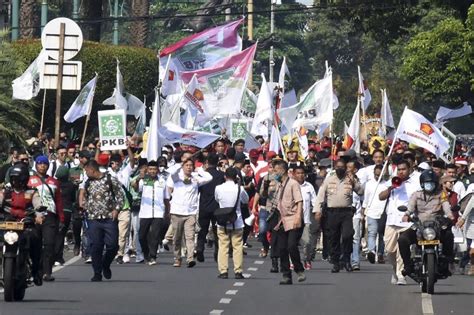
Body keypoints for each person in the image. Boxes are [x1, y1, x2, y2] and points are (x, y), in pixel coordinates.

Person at [398, 170, 455, 278]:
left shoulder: (441, 194)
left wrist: (450, 216)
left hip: (436, 226)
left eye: (432, 183)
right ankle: (408, 265)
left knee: (448, 235)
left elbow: (446, 206)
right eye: (428, 183)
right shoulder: (416, 195)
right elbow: (410, 207)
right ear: (422, 184)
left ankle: (446, 263)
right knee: (402, 239)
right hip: (420, 225)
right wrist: (406, 215)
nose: (430, 185)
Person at [315, 159, 363, 273]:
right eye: (338, 167)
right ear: (335, 167)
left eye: (342, 167)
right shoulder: (329, 180)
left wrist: (354, 183)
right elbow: (321, 195)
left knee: (348, 235)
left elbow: (361, 192)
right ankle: (336, 262)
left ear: (346, 168)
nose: (340, 169)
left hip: (346, 212)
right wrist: (317, 210)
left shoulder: (350, 179)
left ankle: (346, 259)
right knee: (334, 238)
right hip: (332, 212)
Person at [0, 162, 44, 286]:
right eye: (13, 178)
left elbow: (38, 204)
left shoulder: (32, 192)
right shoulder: (6, 191)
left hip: (26, 224)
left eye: (18, 178)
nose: (15, 181)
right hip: (8, 223)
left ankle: (36, 271)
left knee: (35, 240)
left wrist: (39, 215)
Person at [379, 160, 421, 285]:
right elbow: (380, 196)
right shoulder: (392, 182)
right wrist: (391, 187)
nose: (401, 172)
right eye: (399, 170)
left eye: (403, 169)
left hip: (406, 221)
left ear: (409, 170)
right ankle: (394, 270)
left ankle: (401, 274)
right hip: (391, 220)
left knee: (402, 248)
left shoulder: (415, 184)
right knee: (390, 250)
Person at [82, 160, 125, 282]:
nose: (86, 173)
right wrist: (84, 205)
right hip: (93, 219)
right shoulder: (88, 182)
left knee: (112, 246)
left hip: (108, 218)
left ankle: (105, 264)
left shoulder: (110, 180)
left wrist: (116, 209)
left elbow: (121, 196)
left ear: (92, 170)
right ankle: (97, 272)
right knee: (96, 246)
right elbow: (85, 196)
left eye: (86, 171)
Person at [167, 158, 212, 268]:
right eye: (186, 165)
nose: (189, 167)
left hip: (190, 213)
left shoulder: (196, 179)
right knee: (177, 238)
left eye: (190, 165)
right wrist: (179, 165)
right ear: (183, 167)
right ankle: (177, 258)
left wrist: (199, 170)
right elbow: (172, 172)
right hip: (177, 212)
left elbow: (209, 178)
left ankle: (190, 258)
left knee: (190, 237)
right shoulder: (177, 178)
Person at [28, 155, 65, 282]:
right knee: (35, 244)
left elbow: (59, 201)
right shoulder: (29, 180)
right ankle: (36, 270)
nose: (42, 166)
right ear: (36, 165)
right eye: (39, 163)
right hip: (34, 215)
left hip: (50, 215)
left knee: (49, 244)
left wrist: (61, 218)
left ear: (48, 166)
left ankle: (47, 272)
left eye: (44, 164)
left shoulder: (54, 182)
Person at [272, 159, 305, 285]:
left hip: (293, 218)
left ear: (282, 170)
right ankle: (286, 275)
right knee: (282, 248)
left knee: (291, 245)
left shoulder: (293, 184)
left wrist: (298, 216)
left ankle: (299, 269)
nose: (274, 173)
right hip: (282, 220)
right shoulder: (279, 184)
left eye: (275, 170)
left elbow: (299, 201)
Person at [132, 160, 170, 266]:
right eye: (150, 169)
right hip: (145, 212)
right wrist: (139, 177)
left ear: (157, 170)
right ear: (147, 170)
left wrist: (167, 212)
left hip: (158, 212)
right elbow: (135, 188)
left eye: (154, 169)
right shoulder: (143, 181)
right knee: (141, 236)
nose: (152, 171)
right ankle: (146, 254)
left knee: (155, 235)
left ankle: (153, 256)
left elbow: (166, 198)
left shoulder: (162, 181)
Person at [214, 167, 249, 279]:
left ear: (225, 176)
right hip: (237, 220)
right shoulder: (240, 189)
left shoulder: (218, 188)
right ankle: (238, 271)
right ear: (236, 177)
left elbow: (217, 199)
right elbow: (246, 200)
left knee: (223, 246)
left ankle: (223, 271)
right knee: (237, 246)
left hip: (222, 220)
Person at [196, 153, 225, 263]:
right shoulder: (222, 175)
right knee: (217, 230)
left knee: (202, 230)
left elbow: (197, 190)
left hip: (204, 205)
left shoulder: (203, 175)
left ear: (207, 163)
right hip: (217, 206)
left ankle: (199, 248)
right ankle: (217, 252)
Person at [293, 165, 318, 270]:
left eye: (302, 173)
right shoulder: (291, 185)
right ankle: (293, 261)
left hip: (306, 219)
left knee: (306, 242)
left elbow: (314, 201)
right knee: (292, 243)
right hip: (293, 219)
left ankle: (307, 260)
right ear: (294, 174)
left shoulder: (309, 186)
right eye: (298, 173)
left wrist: (317, 212)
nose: (300, 175)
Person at [363, 165, 387, 264]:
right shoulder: (369, 184)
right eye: (376, 174)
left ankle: (380, 253)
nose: (378, 176)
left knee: (381, 234)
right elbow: (366, 198)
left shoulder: (386, 184)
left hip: (383, 212)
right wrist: (364, 210)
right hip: (371, 211)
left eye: (380, 174)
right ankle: (371, 251)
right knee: (372, 233)